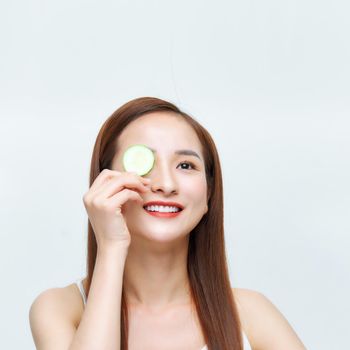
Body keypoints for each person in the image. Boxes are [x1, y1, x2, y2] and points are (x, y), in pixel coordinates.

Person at [29, 97, 306, 349]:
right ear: (106, 183)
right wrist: (111, 245)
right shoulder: (60, 309)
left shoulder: (250, 313)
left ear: (209, 192)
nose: (166, 184)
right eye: (144, 163)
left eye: (186, 165)